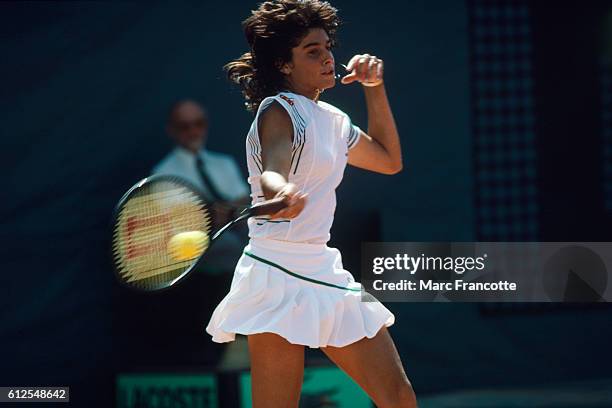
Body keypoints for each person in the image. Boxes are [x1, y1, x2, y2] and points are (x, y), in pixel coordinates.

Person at [205, 1, 417, 406]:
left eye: (327, 47)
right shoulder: (278, 110)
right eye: (312, 51)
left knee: (398, 395)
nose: (328, 58)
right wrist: (279, 190)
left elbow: (389, 160)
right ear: (284, 65)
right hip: (274, 272)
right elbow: (273, 166)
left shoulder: (335, 120)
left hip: (322, 267)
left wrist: (374, 88)